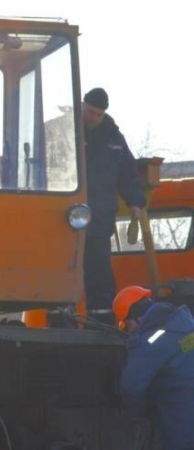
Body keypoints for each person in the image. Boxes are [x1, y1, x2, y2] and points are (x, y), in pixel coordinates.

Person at [82, 87, 146, 321]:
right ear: (82, 106)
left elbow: (127, 174)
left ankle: (102, 323)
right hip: (64, 218)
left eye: (99, 114)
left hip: (99, 219)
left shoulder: (114, 139)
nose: (94, 118)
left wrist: (135, 203)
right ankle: (60, 320)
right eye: (90, 112)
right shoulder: (65, 132)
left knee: (100, 272)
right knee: (63, 271)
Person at [113, 286, 194, 450]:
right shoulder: (184, 320)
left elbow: (131, 388)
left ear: (132, 320)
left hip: (181, 416)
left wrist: (142, 413)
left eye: (128, 327)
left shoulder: (147, 344)